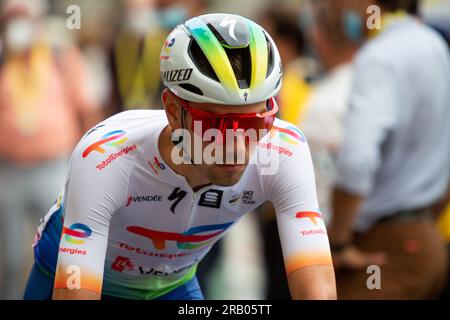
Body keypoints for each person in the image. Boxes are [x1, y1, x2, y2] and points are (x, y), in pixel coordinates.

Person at [23, 13, 336, 300]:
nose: (238, 145)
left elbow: (317, 290)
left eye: (256, 123)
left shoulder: (284, 150)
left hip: (173, 287)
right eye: (217, 125)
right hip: (74, 278)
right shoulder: (107, 156)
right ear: (173, 112)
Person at [327, 0, 450, 299]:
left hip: (384, 249)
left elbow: (356, 160)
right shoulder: (435, 46)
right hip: (425, 244)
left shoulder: (380, 55)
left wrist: (338, 243)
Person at [0, 0, 99, 299]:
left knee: (63, 249)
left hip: (54, 167)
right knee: (11, 255)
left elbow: (87, 108)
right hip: (8, 171)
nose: (18, 26)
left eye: (24, 18)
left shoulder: (61, 56)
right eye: (12, 19)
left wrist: (93, 162)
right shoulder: (4, 59)